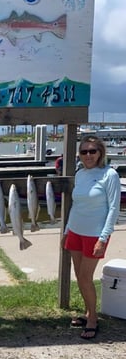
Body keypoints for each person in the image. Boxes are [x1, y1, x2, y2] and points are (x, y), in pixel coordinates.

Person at [62, 136, 121, 340]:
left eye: (92, 151)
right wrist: (67, 231)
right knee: (80, 276)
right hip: (76, 231)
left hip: (95, 234)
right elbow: (75, 205)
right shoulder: (80, 174)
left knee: (86, 278)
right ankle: (88, 312)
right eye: (84, 151)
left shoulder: (109, 175)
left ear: (100, 153)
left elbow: (114, 209)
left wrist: (103, 238)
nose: (88, 155)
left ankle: (93, 319)